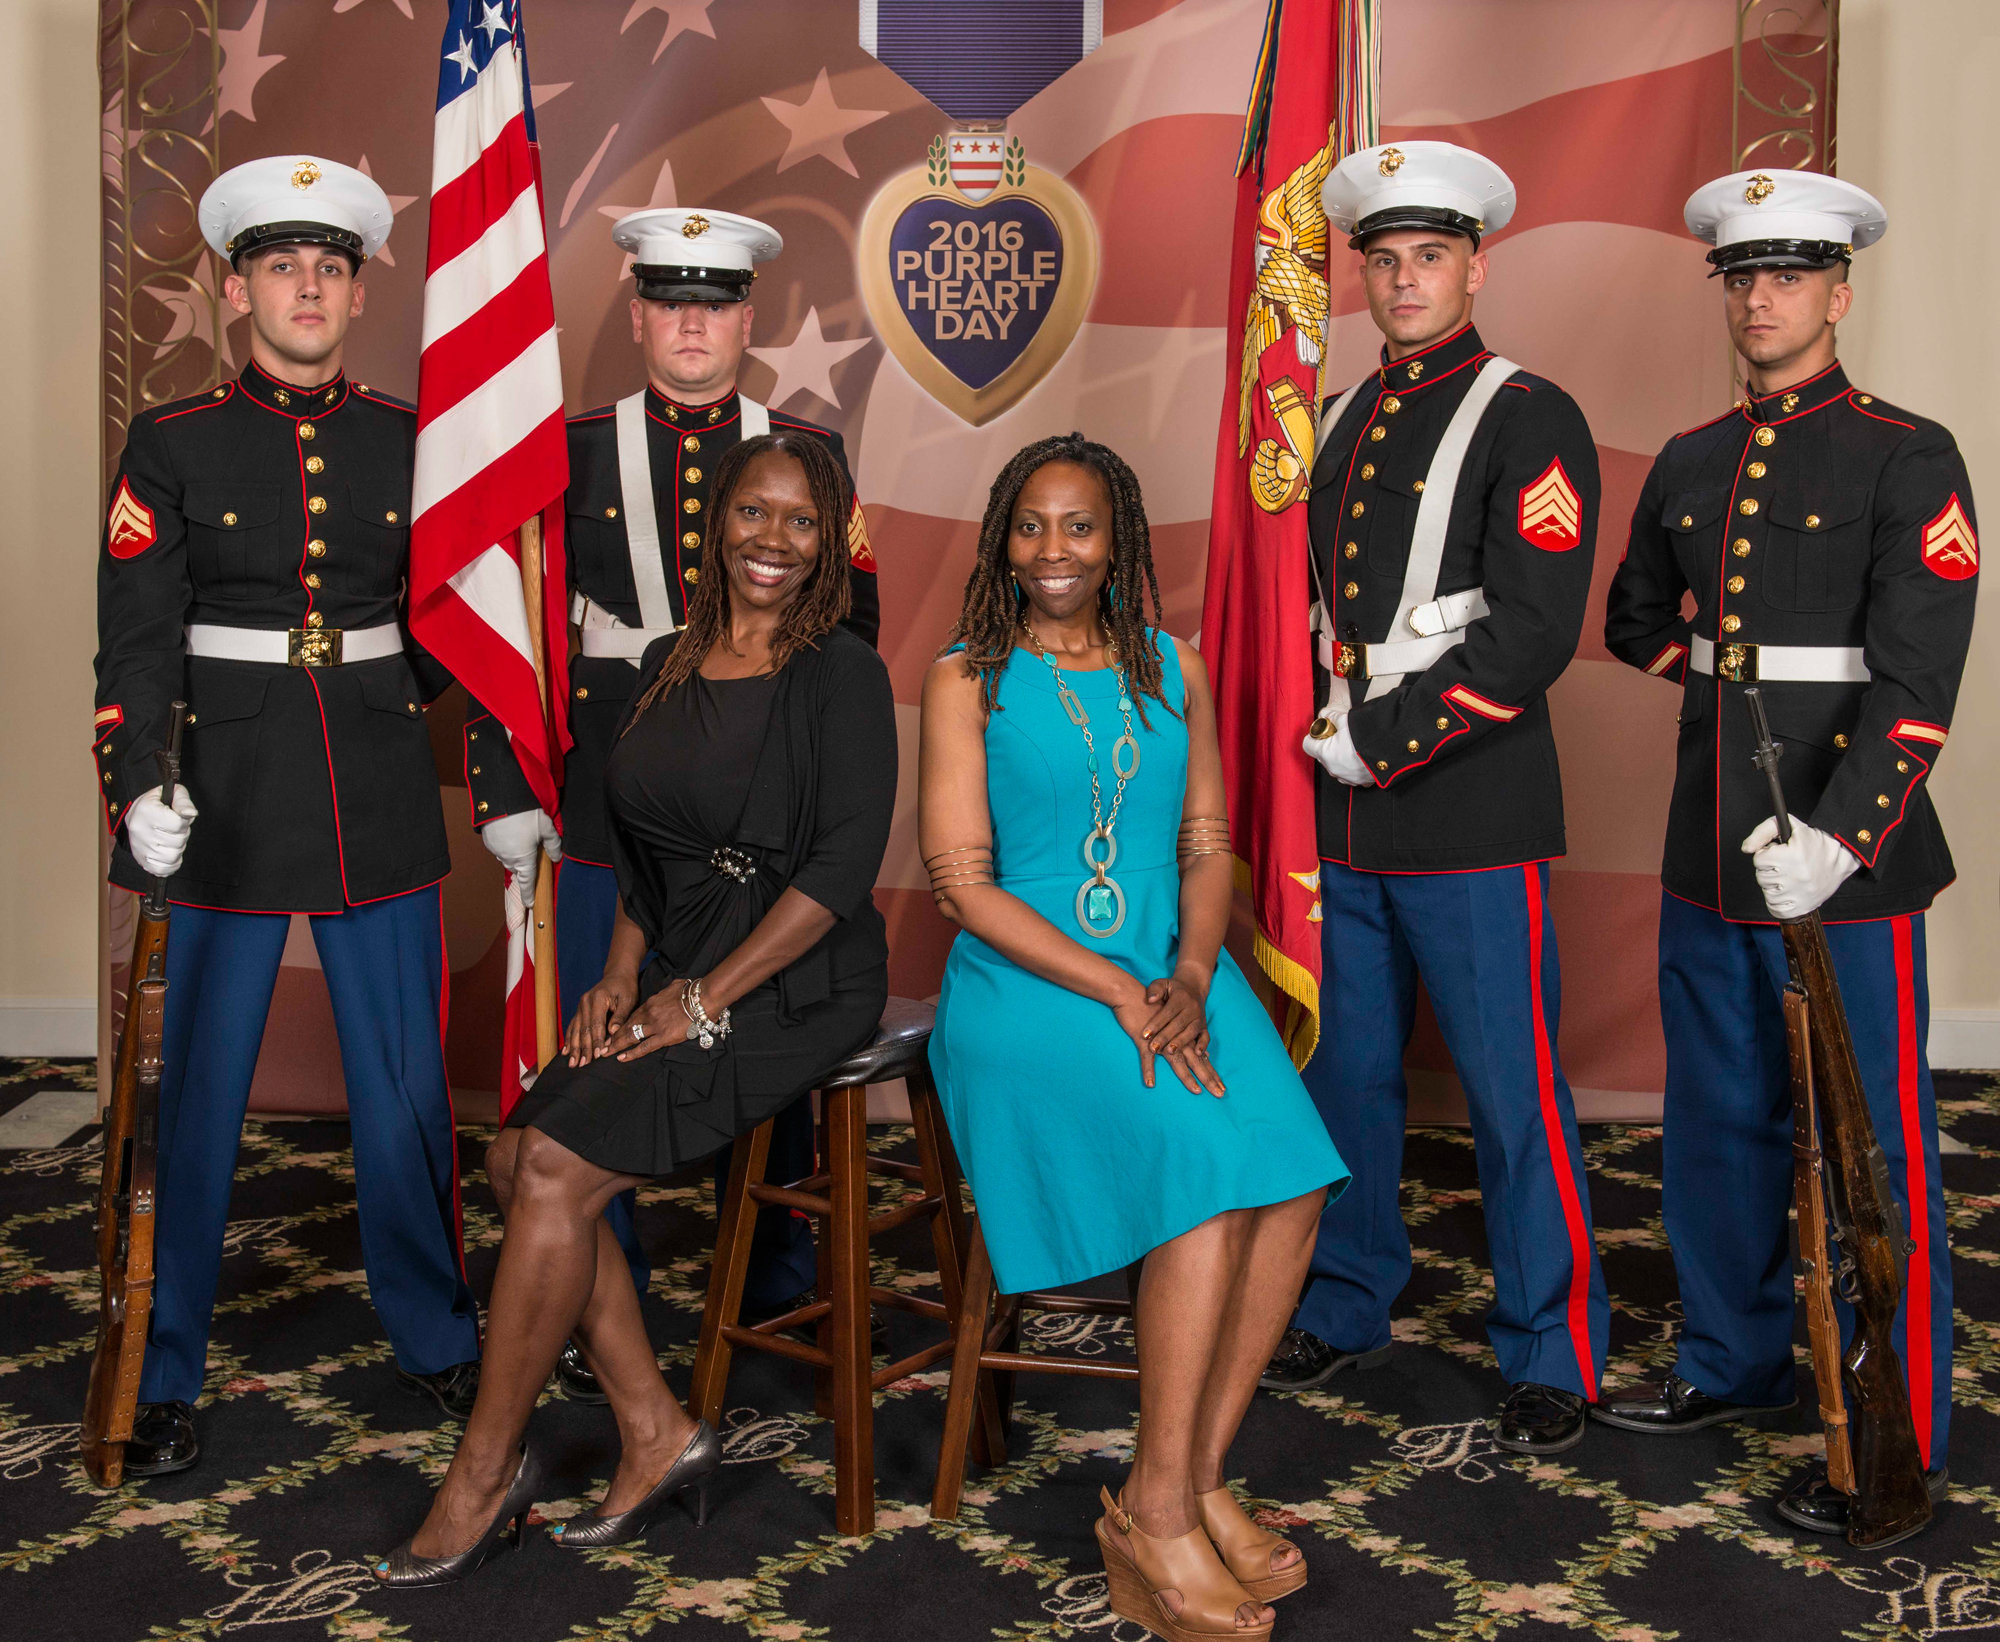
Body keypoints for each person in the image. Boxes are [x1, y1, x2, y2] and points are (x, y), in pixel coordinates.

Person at [373, 432, 896, 1585]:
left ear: (828, 543)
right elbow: (643, 845)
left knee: (553, 1169)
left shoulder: (839, 672)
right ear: (716, 523)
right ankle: (656, 1431)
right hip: (677, 962)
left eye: (801, 522)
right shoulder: (667, 657)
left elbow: (835, 877)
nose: (773, 539)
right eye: (754, 513)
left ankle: (485, 1469)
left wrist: (694, 997)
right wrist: (621, 975)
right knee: (518, 1158)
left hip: (797, 976)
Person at [91, 155, 483, 1477]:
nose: (306, 287)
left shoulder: (407, 437)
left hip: (369, 783)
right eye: (280, 264)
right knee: (196, 1092)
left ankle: (436, 1335)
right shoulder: (176, 440)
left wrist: (379, 693)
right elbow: (137, 636)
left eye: (330, 267)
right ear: (235, 284)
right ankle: (166, 1358)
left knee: (407, 1094)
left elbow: (443, 622)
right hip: (226, 795)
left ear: (359, 291)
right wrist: (140, 781)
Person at [922, 433, 1347, 1641]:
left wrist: (1191, 970)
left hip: (1174, 966)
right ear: (1004, 539)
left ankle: (1191, 1473)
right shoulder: (967, 678)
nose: (1054, 551)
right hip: (1030, 984)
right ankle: (1150, 1516)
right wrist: (1117, 987)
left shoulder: (1175, 666)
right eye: (1031, 526)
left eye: (1080, 528)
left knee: (1297, 1177)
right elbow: (960, 881)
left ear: (1119, 544)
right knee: (1203, 1173)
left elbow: (1207, 839)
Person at [1598, 171, 1972, 1536]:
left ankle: (1903, 1426)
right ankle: (1735, 1359)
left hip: (1847, 870)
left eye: (1791, 274)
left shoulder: (1906, 453)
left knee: (1873, 1146)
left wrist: (1835, 834)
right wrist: (1717, 684)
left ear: (1839, 290)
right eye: (1742, 275)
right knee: (1717, 1123)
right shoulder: (1694, 458)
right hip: (1710, 854)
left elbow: (1920, 682)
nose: (1761, 297)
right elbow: (1639, 615)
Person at [466, 208, 881, 1400]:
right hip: (622, 782)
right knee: (611, 1043)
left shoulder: (805, 453)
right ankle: (611, 1305)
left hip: (767, 799)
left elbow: (841, 631)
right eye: (669, 301)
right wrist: (513, 782)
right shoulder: (571, 448)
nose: (693, 323)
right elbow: (521, 631)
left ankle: (775, 1277)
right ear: (638, 315)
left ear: (746, 319)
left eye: (716, 303)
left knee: (763, 1055)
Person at [1262, 140, 1609, 1456]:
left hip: (1464, 805)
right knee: (1344, 1078)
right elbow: (1313, 603)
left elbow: (1529, 633)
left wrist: (1386, 737)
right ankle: (1351, 1294)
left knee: (1512, 1093)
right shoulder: (1343, 412)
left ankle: (1553, 1346)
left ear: (1475, 262)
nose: (1403, 280)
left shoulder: (1533, 415)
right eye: (1383, 259)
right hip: (1338, 814)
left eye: (1428, 256)